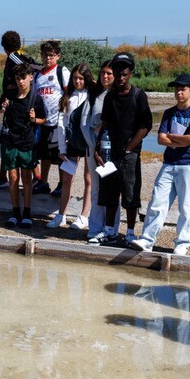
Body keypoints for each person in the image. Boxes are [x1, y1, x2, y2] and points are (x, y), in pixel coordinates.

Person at [129, 73, 190, 255]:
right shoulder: (169, 113)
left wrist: (172, 137)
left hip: (189, 165)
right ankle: (147, 239)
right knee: (157, 202)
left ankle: (182, 242)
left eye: (183, 89)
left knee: (186, 206)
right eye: (176, 88)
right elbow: (161, 139)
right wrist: (179, 140)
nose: (179, 92)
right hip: (169, 164)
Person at [94, 52, 152, 245]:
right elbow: (105, 123)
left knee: (130, 195)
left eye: (124, 74)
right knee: (109, 193)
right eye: (117, 73)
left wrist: (129, 148)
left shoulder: (138, 95)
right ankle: (109, 231)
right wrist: (97, 148)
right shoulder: (110, 97)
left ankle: (129, 233)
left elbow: (145, 126)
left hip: (130, 155)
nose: (120, 78)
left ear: (131, 73)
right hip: (110, 152)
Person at [46, 63, 96, 230]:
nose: (77, 81)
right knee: (67, 178)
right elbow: (61, 122)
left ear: (86, 78)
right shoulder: (68, 96)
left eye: (81, 78)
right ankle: (61, 215)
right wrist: (61, 148)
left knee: (89, 178)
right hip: (72, 143)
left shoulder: (92, 95)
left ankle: (84, 216)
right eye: (75, 78)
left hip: (89, 142)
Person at [0, 64, 46, 227]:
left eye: (23, 78)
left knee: (26, 178)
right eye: (18, 78)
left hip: (26, 143)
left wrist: (33, 119)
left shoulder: (35, 98)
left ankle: (27, 213)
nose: (21, 82)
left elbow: (43, 119)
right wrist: (2, 108)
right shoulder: (9, 95)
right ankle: (15, 213)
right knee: (12, 178)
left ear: (31, 77)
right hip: (9, 142)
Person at [85, 59, 120, 242]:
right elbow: (86, 120)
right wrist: (92, 144)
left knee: (111, 189)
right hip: (93, 147)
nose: (105, 76)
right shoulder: (95, 94)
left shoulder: (118, 95)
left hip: (111, 149)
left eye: (109, 73)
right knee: (96, 188)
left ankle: (112, 229)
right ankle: (95, 227)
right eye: (103, 73)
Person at [31, 40, 71, 195]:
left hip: (59, 121)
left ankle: (62, 184)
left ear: (58, 56)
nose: (48, 58)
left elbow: (68, 92)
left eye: (51, 55)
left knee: (60, 154)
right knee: (44, 154)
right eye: (45, 55)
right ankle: (43, 182)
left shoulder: (62, 72)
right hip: (43, 122)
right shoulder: (38, 76)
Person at [0, 30, 29, 189]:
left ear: (5, 46)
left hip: (14, 100)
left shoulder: (14, 57)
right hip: (14, 99)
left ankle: (36, 178)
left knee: (9, 138)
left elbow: (25, 69)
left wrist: (12, 87)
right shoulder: (19, 55)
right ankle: (2, 176)